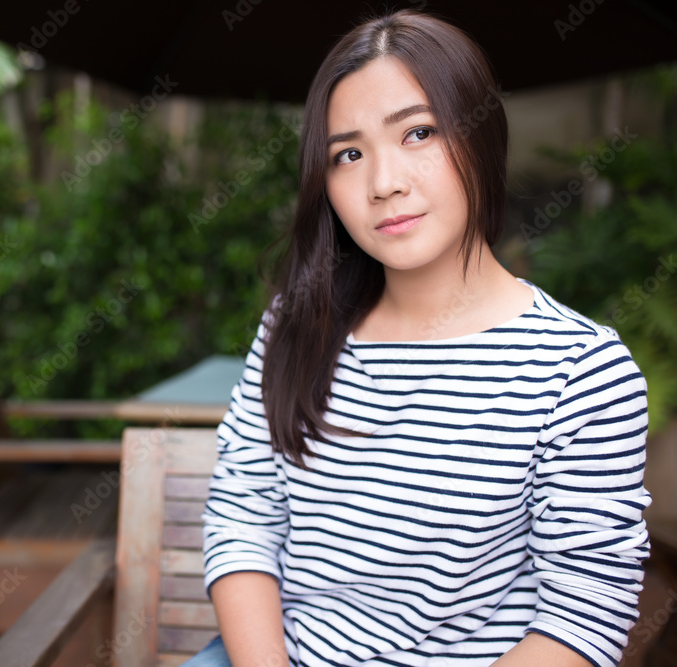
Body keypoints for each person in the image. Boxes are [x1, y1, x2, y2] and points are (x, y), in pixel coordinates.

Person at [185, 8, 651, 667]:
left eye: (419, 133)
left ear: (481, 136)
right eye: (348, 153)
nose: (383, 183)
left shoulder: (580, 370)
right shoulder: (296, 326)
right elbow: (243, 518)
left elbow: (585, 614)